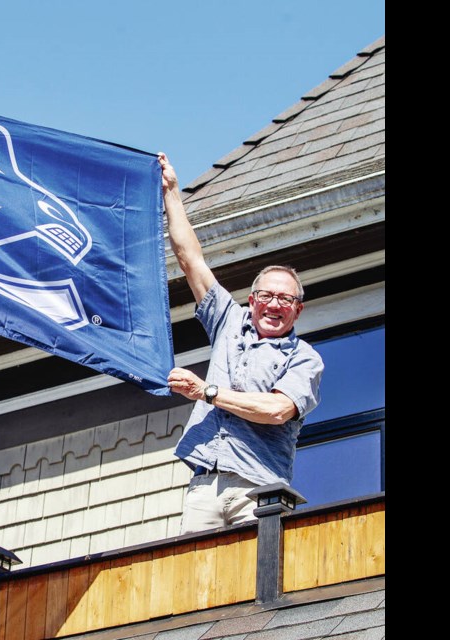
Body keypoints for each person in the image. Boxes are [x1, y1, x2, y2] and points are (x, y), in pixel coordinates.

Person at [158, 152, 324, 533]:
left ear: (298, 311)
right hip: (204, 482)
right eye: (267, 296)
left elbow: (278, 410)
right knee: (194, 580)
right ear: (252, 301)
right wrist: (172, 193)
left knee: (254, 583)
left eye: (286, 300)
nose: (275, 305)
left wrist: (208, 392)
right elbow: (190, 260)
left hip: (259, 489)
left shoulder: (304, 358)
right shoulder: (229, 322)